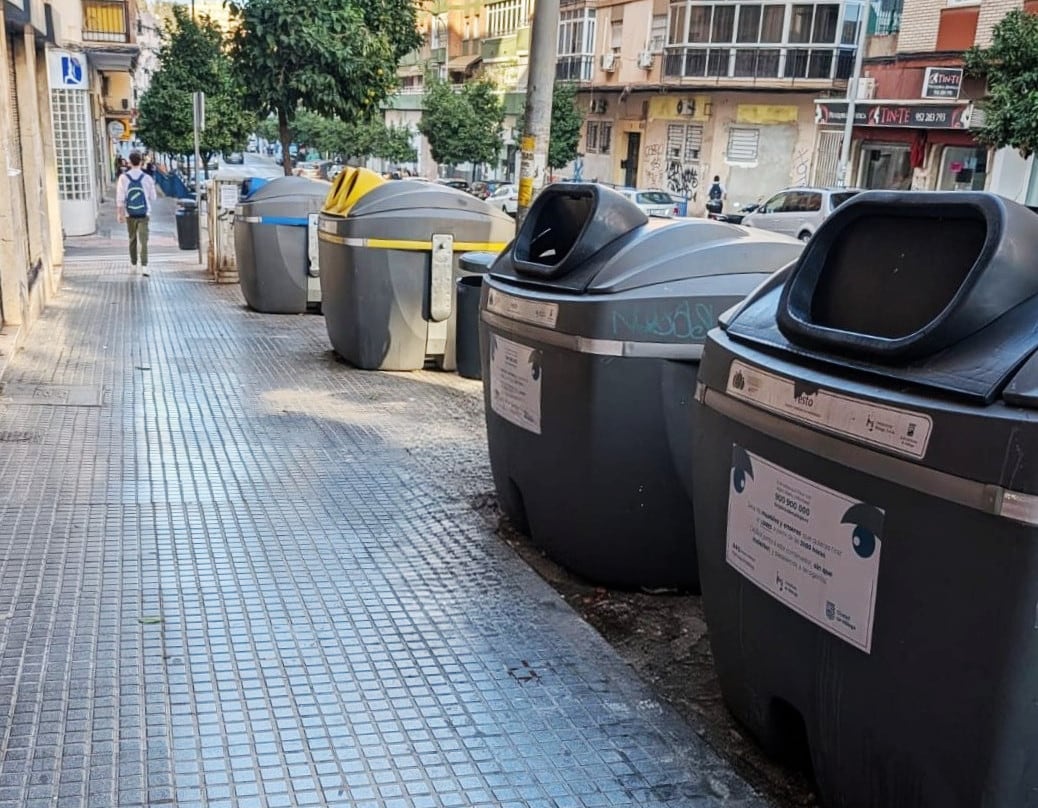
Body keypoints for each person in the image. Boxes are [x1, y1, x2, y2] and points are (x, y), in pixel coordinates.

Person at [116, 151, 158, 276]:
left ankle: (133, 265)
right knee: (143, 240)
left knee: (132, 239)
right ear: (141, 162)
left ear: (129, 162)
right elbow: (154, 197)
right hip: (144, 214)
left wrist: (120, 213)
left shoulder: (123, 178)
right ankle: (144, 266)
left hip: (130, 213)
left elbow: (120, 198)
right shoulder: (147, 178)